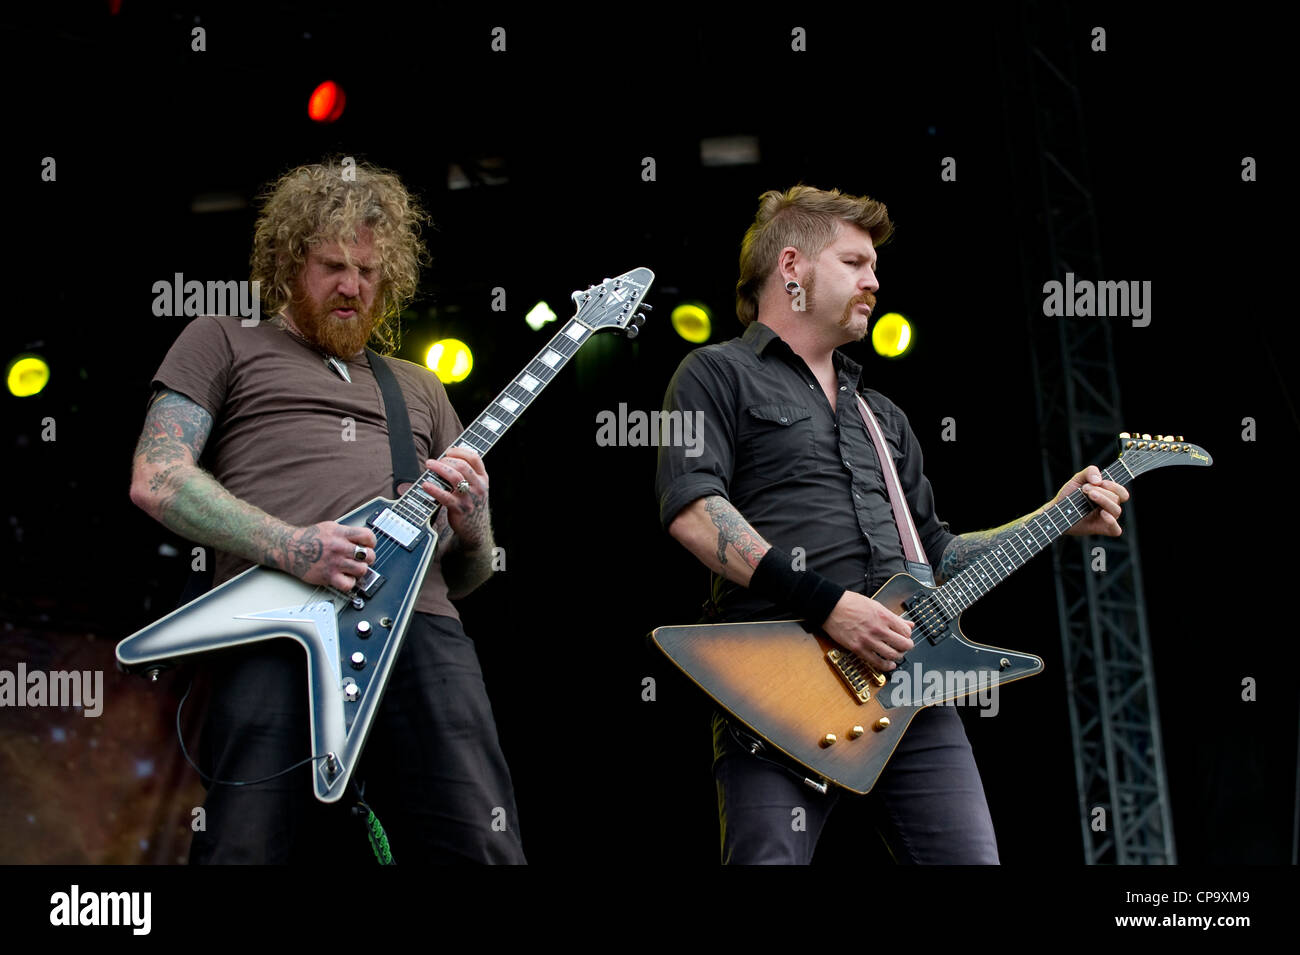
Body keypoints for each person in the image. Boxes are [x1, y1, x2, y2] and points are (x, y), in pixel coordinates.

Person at [654, 185, 1129, 864]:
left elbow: (936, 554)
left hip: (913, 687)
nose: (875, 281)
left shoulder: (883, 416)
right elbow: (697, 513)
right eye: (855, 262)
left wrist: (1056, 517)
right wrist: (830, 606)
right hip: (778, 688)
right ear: (792, 266)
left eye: (874, 266)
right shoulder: (714, 373)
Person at [129, 159, 526, 864]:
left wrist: (475, 521)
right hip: (273, 620)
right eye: (333, 266)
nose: (353, 287)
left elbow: (468, 576)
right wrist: (292, 546)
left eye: (370, 271)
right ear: (287, 263)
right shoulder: (223, 339)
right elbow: (157, 477)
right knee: (245, 846)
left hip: (422, 630)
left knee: (480, 838)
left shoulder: (419, 387)